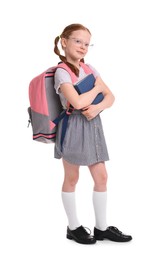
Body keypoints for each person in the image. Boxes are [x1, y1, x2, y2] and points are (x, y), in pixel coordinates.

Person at [53, 23, 132, 244]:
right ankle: (73, 227)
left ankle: (101, 228)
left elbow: (112, 97)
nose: (83, 46)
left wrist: (97, 107)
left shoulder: (89, 69)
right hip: (73, 128)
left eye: (87, 43)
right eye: (78, 41)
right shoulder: (62, 72)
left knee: (102, 177)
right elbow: (77, 102)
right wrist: (97, 89)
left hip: (94, 125)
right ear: (65, 41)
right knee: (72, 177)